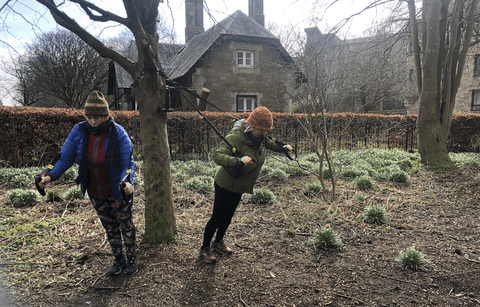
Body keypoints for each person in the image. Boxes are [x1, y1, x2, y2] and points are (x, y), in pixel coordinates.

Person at [37, 91, 138, 275]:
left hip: (118, 191)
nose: (93, 121)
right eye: (90, 117)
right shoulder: (79, 130)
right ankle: (119, 260)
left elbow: (127, 162)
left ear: (107, 115)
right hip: (95, 191)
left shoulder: (118, 133)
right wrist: (49, 176)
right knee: (110, 227)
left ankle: (132, 258)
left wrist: (128, 182)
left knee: (126, 226)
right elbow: (65, 158)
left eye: (98, 117)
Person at [200, 106, 293, 263]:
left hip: (239, 185)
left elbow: (269, 142)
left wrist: (283, 148)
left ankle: (218, 242)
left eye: (265, 130)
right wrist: (237, 161)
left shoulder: (259, 137)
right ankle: (205, 248)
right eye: (261, 130)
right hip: (226, 183)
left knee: (228, 216)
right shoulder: (237, 136)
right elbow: (217, 156)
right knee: (217, 217)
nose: (264, 133)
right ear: (253, 126)